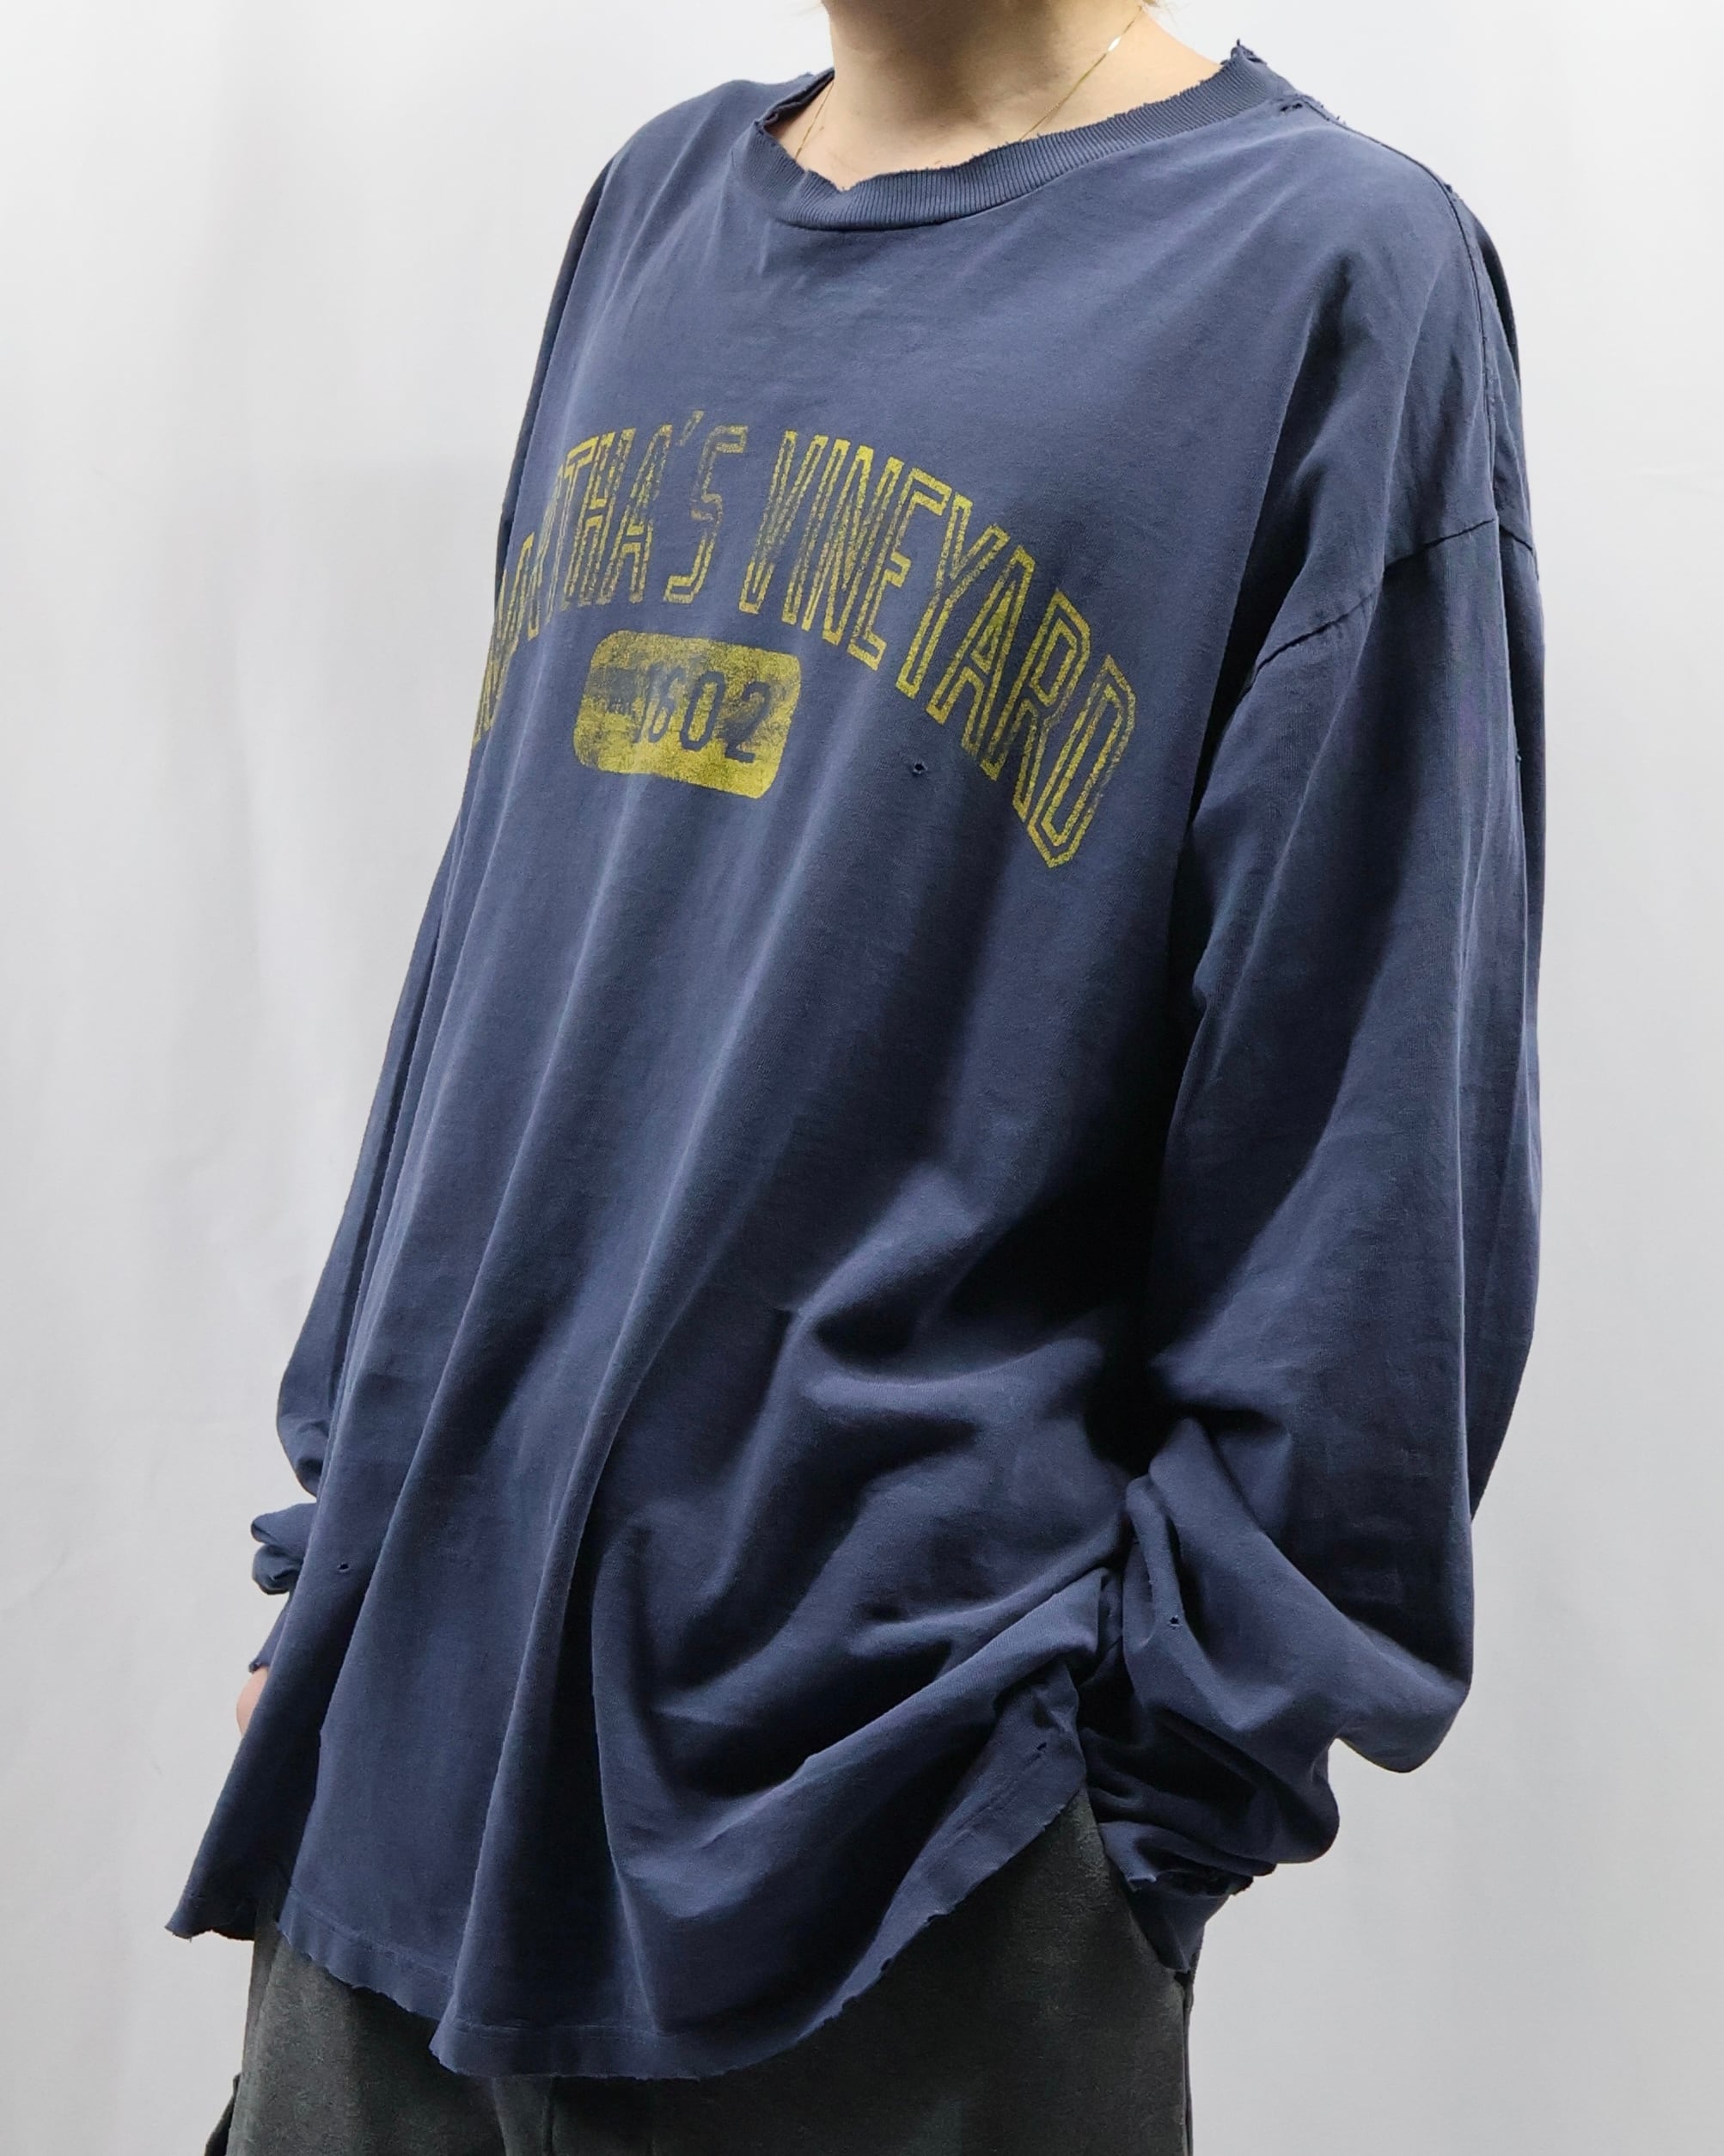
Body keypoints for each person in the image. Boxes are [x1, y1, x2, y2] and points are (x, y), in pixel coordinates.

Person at [176, 3, 1544, 2150]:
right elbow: (508, 937)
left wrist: (1139, 1803)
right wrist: (335, 1540)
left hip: (893, 1843)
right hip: (399, 1756)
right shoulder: (655, 206)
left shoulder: (1327, 268)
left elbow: (1369, 1108)